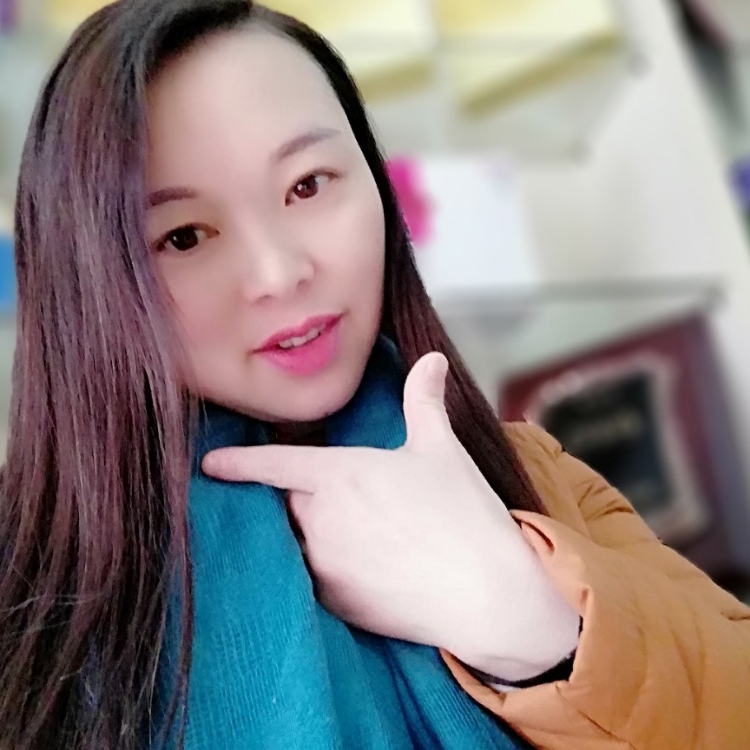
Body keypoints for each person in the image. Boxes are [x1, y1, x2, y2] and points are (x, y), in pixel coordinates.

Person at [0, 0, 748, 748]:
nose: (280, 273)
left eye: (308, 185)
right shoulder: (30, 581)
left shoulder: (537, 472)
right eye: (185, 236)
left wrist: (535, 630)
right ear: (92, 279)